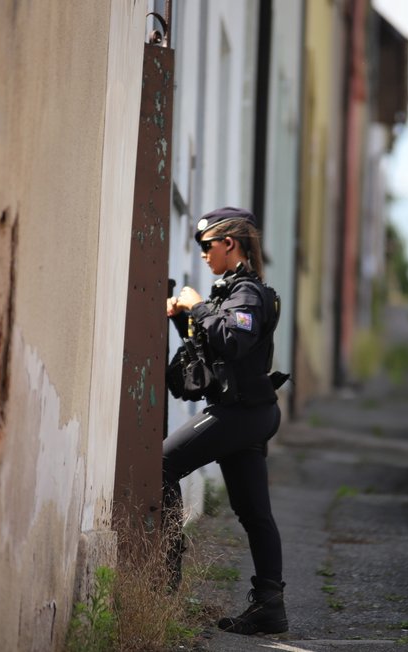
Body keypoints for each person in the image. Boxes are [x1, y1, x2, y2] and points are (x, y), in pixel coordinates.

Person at [163, 206, 288, 636]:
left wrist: (197, 309)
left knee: (163, 464)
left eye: (206, 246)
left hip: (244, 413)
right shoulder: (229, 293)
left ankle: (163, 576)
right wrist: (184, 316)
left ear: (228, 244)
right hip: (243, 412)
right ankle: (270, 607)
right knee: (255, 513)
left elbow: (233, 341)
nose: (202, 254)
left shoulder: (248, 294)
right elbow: (211, 353)